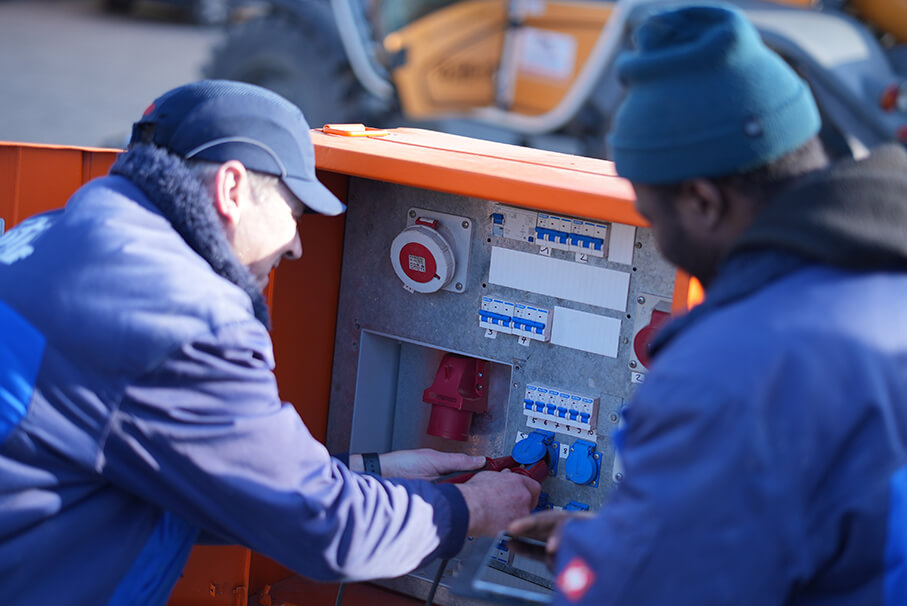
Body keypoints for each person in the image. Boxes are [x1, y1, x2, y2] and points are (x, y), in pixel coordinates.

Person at [0, 80, 540, 604]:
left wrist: (375, 472)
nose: (299, 246)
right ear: (232, 189)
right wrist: (469, 508)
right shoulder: (182, 318)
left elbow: (209, 471)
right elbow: (324, 528)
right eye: (294, 212)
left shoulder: (50, 237)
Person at [510, 4, 907, 604]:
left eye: (651, 215)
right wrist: (637, 535)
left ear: (701, 201)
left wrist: (596, 556)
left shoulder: (726, 375)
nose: (659, 239)